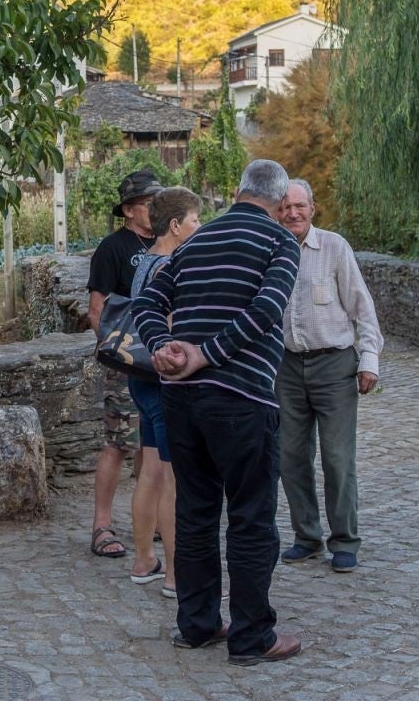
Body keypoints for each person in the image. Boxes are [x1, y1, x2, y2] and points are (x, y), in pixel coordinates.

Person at [132, 159, 302, 667]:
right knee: (251, 519)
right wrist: (208, 352)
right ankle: (252, 637)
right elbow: (267, 310)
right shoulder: (280, 242)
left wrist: (161, 345)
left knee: (196, 513)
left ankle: (198, 624)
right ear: (277, 201)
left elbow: (145, 302)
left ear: (237, 192)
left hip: (182, 400)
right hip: (242, 398)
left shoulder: (192, 243)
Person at [275, 178, 383, 573]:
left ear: (313, 208)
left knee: (337, 457)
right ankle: (307, 537)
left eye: (299, 206)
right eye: (285, 207)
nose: (292, 213)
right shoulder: (272, 249)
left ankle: (345, 540)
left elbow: (362, 308)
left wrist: (368, 359)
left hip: (335, 364)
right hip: (286, 365)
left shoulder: (334, 247)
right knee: (290, 456)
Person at [126, 187, 202, 598]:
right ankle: (176, 574)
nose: (199, 228)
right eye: (194, 221)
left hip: (138, 377)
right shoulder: (169, 264)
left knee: (151, 470)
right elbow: (170, 324)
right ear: (175, 225)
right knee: (174, 478)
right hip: (162, 379)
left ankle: (144, 560)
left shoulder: (143, 261)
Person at [88, 169, 163, 559]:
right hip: (127, 361)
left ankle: (149, 524)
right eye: (149, 203)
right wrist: (117, 355)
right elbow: (97, 310)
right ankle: (102, 525)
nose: (155, 209)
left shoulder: (171, 244)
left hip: (164, 362)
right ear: (129, 210)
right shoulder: (113, 248)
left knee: (154, 447)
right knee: (119, 444)